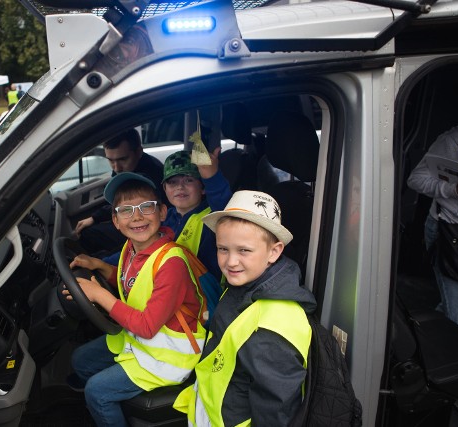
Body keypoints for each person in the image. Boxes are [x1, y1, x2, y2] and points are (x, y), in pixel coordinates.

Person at [64, 172, 207, 427]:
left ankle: (109, 407)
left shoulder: (172, 263)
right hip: (139, 340)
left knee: (97, 391)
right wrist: (97, 265)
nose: (137, 216)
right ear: (116, 221)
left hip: (169, 355)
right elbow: (130, 282)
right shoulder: (132, 248)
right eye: (126, 210)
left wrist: (98, 295)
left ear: (162, 212)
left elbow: (147, 326)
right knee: (80, 361)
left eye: (146, 207)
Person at [174, 190, 317, 426]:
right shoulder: (247, 283)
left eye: (244, 250)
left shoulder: (271, 328)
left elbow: (275, 414)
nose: (230, 262)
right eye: (223, 249)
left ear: (274, 251)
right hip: (214, 409)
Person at [407, 119, 458, 427]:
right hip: (454, 235)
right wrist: (453, 189)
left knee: (457, 303)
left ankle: (424, 341)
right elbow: (417, 178)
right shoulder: (457, 141)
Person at [103, 149, 231, 282]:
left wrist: (212, 177)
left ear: (203, 187)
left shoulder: (213, 217)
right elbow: (139, 250)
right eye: (172, 182)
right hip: (162, 281)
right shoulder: (161, 217)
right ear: (165, 188)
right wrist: (102, 263)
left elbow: (226, 213)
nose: (180, 187)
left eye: (188, 180)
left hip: (201, 296)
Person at [75, 128, 165, 256]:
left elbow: (126, 203)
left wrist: (95, 217)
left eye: (122, 159)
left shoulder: (151, 174)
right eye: (111, 160)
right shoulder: (126, 168)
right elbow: (118, 200)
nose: (116, 167)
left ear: (138, 152)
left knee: (90, 237)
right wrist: (95, 217)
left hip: (148, 228)